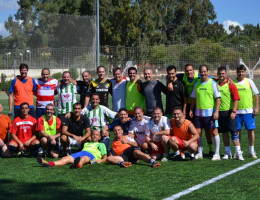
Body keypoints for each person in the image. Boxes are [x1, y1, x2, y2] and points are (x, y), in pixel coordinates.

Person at [190, 65, 221, 161]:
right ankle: (200, 152)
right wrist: (191, 109)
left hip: (210, 113)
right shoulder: (197, 83)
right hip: (198, 113)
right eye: (201, 72)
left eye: (205, 71)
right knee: (198, 132)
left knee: (214, 132)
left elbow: (218, 98)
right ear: (199, 73)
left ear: (208, 72)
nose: (203, 73)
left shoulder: (212, 83)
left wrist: (216, 111)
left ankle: (217, 154)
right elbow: (193, 98)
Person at [37, 130, 107, 168]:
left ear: (100, 137)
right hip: (81, 153)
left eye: (96, 135)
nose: (94, 136)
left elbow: (105, 157)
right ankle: (50, 163)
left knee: (84, 158)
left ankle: (78, 165)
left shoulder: (101, 144)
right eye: (93, 134)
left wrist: (100, 161)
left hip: (92, 156)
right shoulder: (86, 143)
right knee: (65, 158)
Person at [217, 66, 244, 160]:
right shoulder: (215, 83)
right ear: (217, 74)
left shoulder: (231, 84)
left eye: (223, 73)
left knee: (234, 133)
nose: (221, 75)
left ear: (226, 74)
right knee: (224, 133)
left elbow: (236, 99)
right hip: (220, 113)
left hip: (229, 112)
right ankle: (228, 153)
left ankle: (238, 153)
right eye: (220, 74)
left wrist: (233, 111)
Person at [234, 65, 259, 158]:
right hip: (237, 111)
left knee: (250, 130)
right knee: (237, 131)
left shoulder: (249, 81)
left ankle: (251, 150)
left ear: (245, 72)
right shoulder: (233, 83)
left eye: (242, 72)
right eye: (239, 72)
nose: (240, 73)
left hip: (248, 111)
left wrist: (256, 107)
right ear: (236, 72)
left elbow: (256, 94)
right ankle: (238, 151)